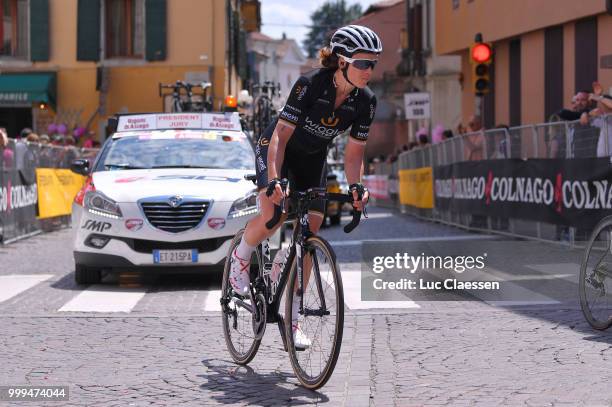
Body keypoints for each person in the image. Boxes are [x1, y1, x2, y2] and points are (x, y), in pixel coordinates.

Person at [228, 24, 382, 349]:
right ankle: (240, 260)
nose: (369, 70)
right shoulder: (310, 84)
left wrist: (357, 186)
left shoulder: (366, 101)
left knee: (311, 231)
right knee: (272, 216)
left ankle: (294, 319)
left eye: (373, 64)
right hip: (278, 148)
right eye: (363, 63)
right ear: (342, 61)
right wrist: (272, 180)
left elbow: (355, 153)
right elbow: (280, 137)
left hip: (313, 158)